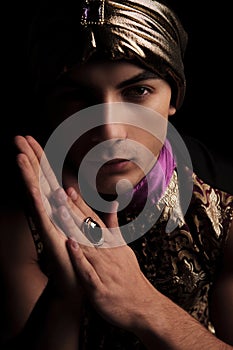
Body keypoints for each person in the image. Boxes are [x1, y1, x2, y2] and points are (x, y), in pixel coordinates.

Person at [0, 0, 233, 349]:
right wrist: (66, 294)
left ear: (174, 97)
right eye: (78, 98)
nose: (110, 131)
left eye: (137, 92)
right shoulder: (21, 213)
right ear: (49, 107)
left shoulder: (223, 202)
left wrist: (145, 306)